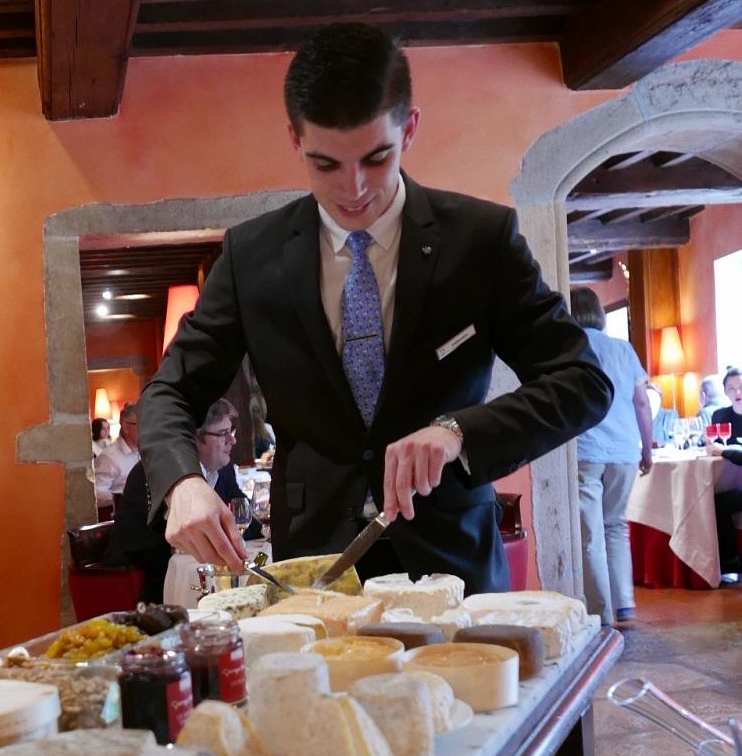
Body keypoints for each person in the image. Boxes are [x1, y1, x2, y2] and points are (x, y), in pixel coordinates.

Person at [137, 23, 612, 595]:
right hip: (316, 569)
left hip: (452, 560)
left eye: (376, 157)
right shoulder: (250, 257)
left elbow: (582, 379)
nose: (354, 188)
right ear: (294, 139)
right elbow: (170, 391)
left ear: (409, 128)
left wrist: (458, 432)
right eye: (325, 164)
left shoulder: (480, 240)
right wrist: (182, 482)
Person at [105, 399, 253, 602]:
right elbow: (171, 539)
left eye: (231, 431)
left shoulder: (223, 468)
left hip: (195, 571)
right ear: (194, 439)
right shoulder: (154, 473)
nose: (232, 440)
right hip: (147, 584)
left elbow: (243, 517)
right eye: (222, 433)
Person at [569, 288, 653, 625]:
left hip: (586, 449)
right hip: (624, 450)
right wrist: (647, 448)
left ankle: (601, 612)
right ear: (600, 314)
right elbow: (642, 402)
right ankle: (625, 604)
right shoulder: (624, 349)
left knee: (590, 534)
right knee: (616, 526)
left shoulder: (573, 348)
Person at [707, 367, 742, 583]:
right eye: (732, 389)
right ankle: (726, 562)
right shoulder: (720, 416)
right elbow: (711, 445)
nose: (738, 393)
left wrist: (724, 451)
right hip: (730, 480)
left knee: (720, 504)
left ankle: (729, 562)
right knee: (711, 499)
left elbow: (721, 449)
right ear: (725, 393)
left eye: (741, 387)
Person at [93, 403, 140, 515]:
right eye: (143, 424)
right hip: (124, 517)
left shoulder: (148, 451)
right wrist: (125, 496)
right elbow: (96, 495)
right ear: (125, 427)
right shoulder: (109, 457)